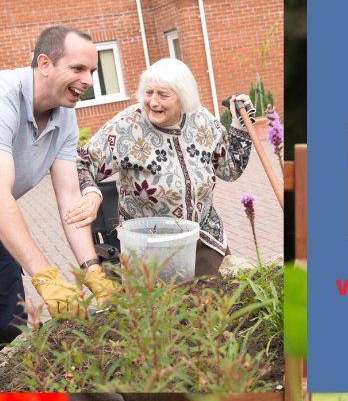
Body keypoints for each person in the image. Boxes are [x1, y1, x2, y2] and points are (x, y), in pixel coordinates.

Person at [0, 25, 119, 361]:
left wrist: (92, 269)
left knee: (9, 329)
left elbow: (70, 200)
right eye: (78, 69)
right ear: (44, 64)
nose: (88, 80)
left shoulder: (65, 116)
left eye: (92, 71)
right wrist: (45, 276)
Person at [71, 58, 254, 277]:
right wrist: (91, 192)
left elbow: (230, 169)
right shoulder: (128, 126)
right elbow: (81, 161)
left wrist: (240, 125)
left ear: (183, 98)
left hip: (204, 238)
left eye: (163, 95)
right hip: (149, 247)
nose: (153, 102)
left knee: (225, 296)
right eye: (149, 93)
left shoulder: (202, 120)